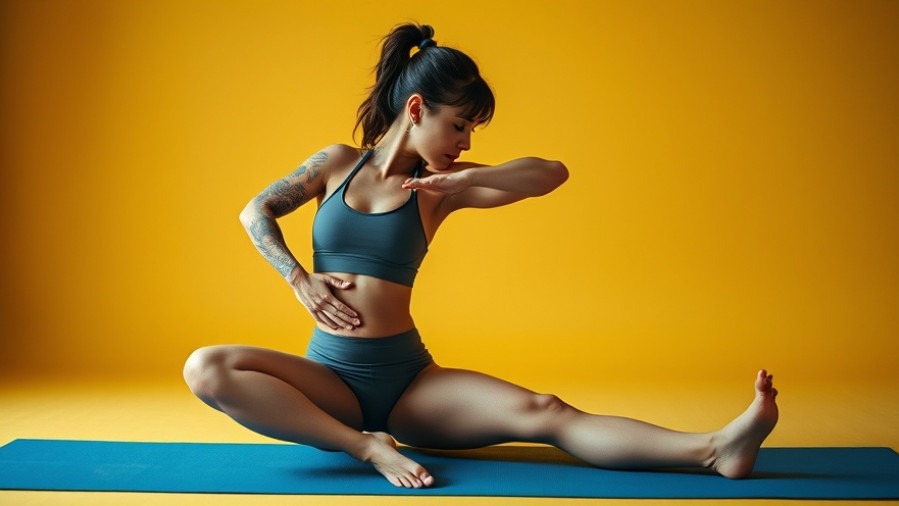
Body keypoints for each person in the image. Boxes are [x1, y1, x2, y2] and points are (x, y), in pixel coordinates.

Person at [183, 22, 779, 489]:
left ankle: (714, 449)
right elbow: (255, 211)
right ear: (416, 109)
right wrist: (298, 279)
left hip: (411, 382)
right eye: (460, 126)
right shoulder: (337, 164)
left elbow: (552, 174)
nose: (466, 142)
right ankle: (365, 445)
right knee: (206, 367)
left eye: (472, 132)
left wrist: (463, 182)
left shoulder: (444, 189)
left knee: (546, 411)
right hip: (330, 379)